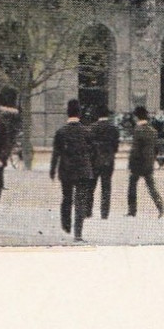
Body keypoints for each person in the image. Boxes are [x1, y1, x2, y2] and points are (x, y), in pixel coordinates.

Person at [50, 100, 97, 241]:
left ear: (67, 113)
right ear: (79, 114)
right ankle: (78, 233)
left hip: (66, 170)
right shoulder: (87, 132)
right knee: (80, 201)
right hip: (83, 170)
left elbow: (56, 153)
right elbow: (93, 152)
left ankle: (66, 226)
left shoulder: (61, 132)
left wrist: (52, 170)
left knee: (66, 198)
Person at [127, 106, 164, 218]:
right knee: (151, 187)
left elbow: (135, 149)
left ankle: (132, 210)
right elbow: (156, 148)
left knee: (132, 186)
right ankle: (160, 206)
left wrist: (131, 163)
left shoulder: (137, 130)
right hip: (149, 162)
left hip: (138, 163)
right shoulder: (152, 130)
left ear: (136, 117)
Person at [87, 108, 120, 219]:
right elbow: (116, 147)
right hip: (108, 161)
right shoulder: (114, 128)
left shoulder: (92, 128)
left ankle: (88, 211)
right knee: (106, 188)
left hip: (94, 161)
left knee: (90, 187)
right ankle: (104, 213)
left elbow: (88, 146)